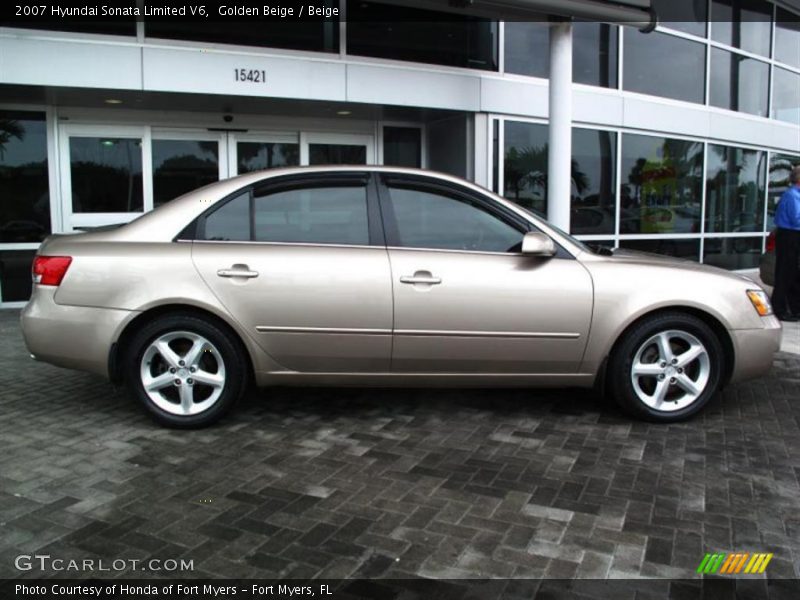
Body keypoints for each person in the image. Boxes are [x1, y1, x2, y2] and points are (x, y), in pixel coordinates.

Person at [772, 165, 800, 322]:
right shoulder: (792, 195)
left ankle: (795, 309)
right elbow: (796, 220)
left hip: (794, 236)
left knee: (795, 275)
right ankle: (779, 310)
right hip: (789, 236)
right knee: (784, 274)